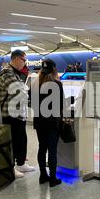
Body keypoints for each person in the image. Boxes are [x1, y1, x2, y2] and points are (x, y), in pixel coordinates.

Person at [0, 50, 35, 178]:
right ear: (17, 59)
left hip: (18, 114)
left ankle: (21, 163)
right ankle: (10, 167)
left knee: (21, 140)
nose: (25, 63)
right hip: (9, 115)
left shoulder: (14, 73)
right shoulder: (7, 74)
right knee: (11, 142)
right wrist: (25, 90)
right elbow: (20, 92)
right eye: (24, 60)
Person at [31, 59, 64, 187]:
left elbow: (32, 104)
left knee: (42, 148)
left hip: (39, 122)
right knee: (52, 150)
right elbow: (61, 105)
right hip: (52, 123)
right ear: (54, 70)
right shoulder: (57, 84)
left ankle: (43, 175)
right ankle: (53, 179)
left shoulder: (34, 84)